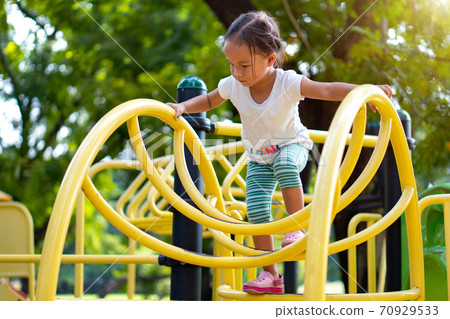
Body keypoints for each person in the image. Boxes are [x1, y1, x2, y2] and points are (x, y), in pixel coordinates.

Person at [167, 10, 392, 294]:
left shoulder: (287, 83)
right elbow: (211, 99)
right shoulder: (234, 84)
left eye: (244, 65)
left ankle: (296, 229)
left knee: (286, 165)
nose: (236, 73)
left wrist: (363, 89)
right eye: (231, 65)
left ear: (270, 59)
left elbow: (325, 90)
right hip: (258, 158)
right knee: (257, 210)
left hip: (292, 145)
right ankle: (270, 275)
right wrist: (185, 107)